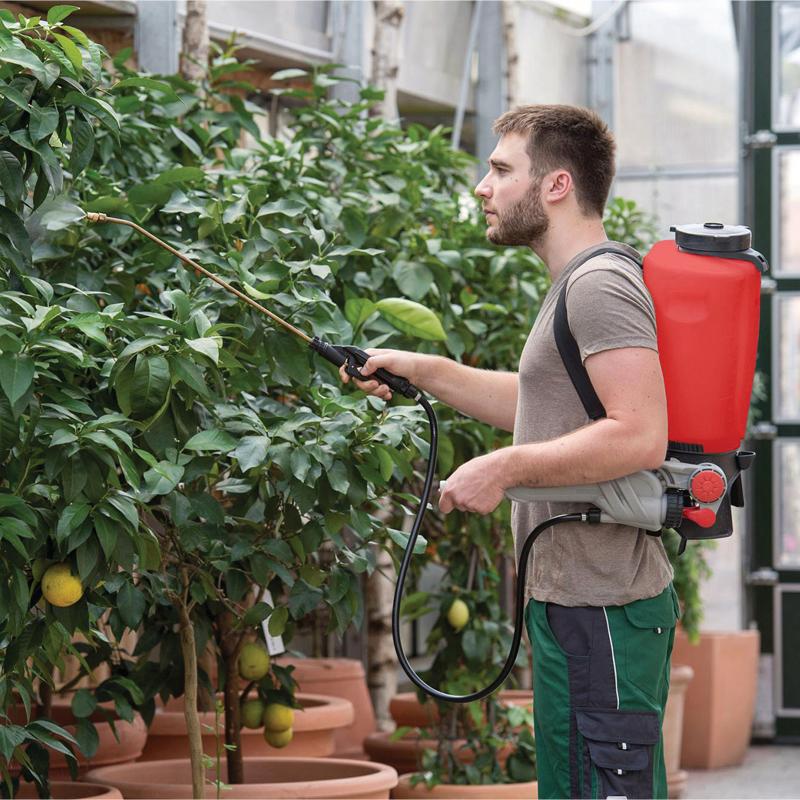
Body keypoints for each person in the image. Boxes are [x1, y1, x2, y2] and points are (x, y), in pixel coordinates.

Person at [340, 104, 676, 800]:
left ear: (555, 185)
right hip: (575, 602)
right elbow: (541, 404)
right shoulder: (574, 284)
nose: (482, 186)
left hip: (603, 606)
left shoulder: (599, 286)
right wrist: (422, 369)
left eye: (500, 170)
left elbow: (640, 432)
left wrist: (504, 467)